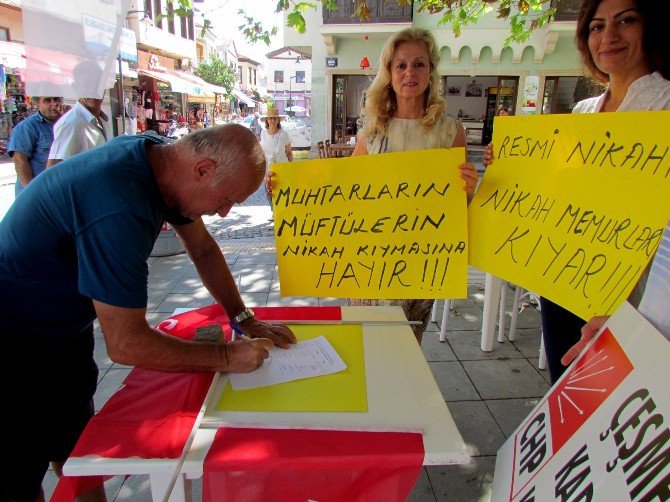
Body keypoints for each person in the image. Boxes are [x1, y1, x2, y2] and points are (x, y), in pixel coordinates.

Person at [0, 124, 297, 501]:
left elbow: (203, 248)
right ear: (203, 169)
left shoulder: (162, 161)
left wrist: (242, 317)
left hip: (61, 330)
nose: (223, 213)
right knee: (16, 475)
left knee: (80, 453)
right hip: (11, 338)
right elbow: (125, 344)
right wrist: (225, 356)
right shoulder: (120, 204)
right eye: (226, 199)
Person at [484, 0, 670, 382]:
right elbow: (556, 189)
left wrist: (636, 312)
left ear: (649, 27)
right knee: (565, 390)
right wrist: (508, 164)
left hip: (637, 299)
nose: (609, 36)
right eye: (597, 26)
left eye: (626, 21)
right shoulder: (584, 111)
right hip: (564, 282)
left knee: (621, 403)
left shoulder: (665, 105)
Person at [345, 27, 479, 344]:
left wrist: (470, 189)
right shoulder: (372, 131)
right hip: (372, 259)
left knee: (408, 347)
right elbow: (344, 192)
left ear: (431, 71)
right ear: (389, 72)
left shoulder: (450, 132)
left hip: (422, 261)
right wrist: (287, 188)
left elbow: (458, 208)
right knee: (367, 345)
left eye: (419, 64)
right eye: (401, 65)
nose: (410, 73)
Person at [7, 96, 63, 197]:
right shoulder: (27, 127)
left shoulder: (66, 124)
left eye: (56, 99)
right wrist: (32, 193)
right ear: (38, 104)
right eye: (47, 100)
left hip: (58, 191)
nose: (54, 104)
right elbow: (19, 161)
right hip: (37, 193)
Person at [260, 108, 293, 205]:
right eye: (270, 118)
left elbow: (289, 152)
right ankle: (273, 212)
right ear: (267, 120)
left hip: (282, 166)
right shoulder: (263, 134)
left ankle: (282, 211)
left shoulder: (284, 134)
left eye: (275, 118)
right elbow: (261, 151)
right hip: (268, 167)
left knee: (283, 189)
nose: (272, 121)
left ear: (278, 120)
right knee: (269, 190)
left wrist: (291, 166)